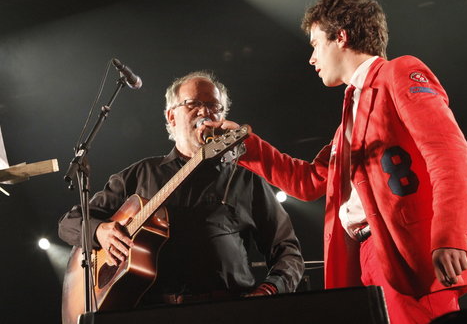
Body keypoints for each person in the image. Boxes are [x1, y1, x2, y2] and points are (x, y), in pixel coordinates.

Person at [206, 0, 467, 324]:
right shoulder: (349, 119)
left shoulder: (399, 72)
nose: (311, 57)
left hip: (409, 256)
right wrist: (246, 145)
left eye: (314, 43)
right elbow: (307, 183)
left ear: (341, 37)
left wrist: (451, 237)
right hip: (366, 260)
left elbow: (450, 153)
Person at [58, 71, 304, 309]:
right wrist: (100, 231)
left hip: (228, 310)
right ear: (171, 117)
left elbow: (287, 251)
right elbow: (69, 223)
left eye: (214, 106)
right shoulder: (139, 175)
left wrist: (271, 290)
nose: (205, 112)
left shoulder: (246, 179)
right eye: (193, 103)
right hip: (152, 314)